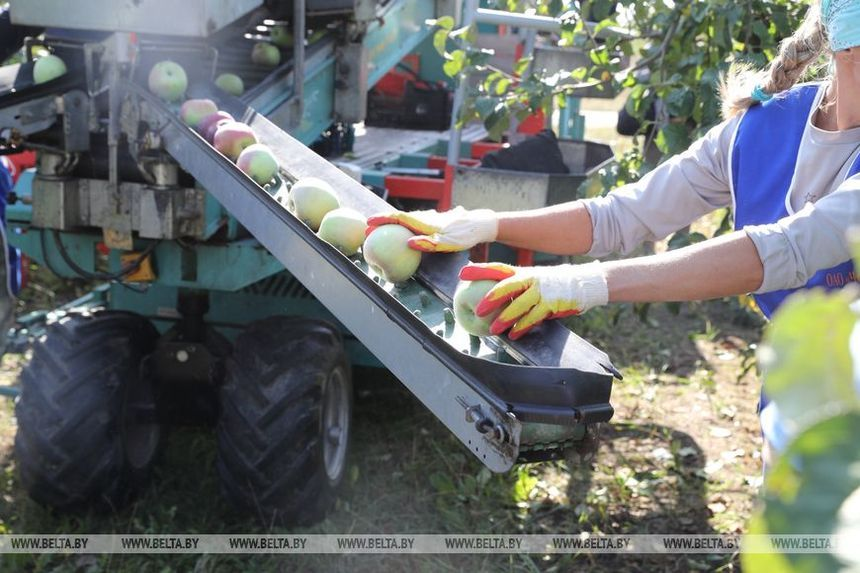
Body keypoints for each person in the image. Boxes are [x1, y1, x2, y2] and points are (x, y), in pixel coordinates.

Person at [368, 0, 860, 461]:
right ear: (848, 48)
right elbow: (620, 216)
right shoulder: (761, 130)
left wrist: (582, 283)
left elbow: (784, 250)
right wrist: (485, 223)